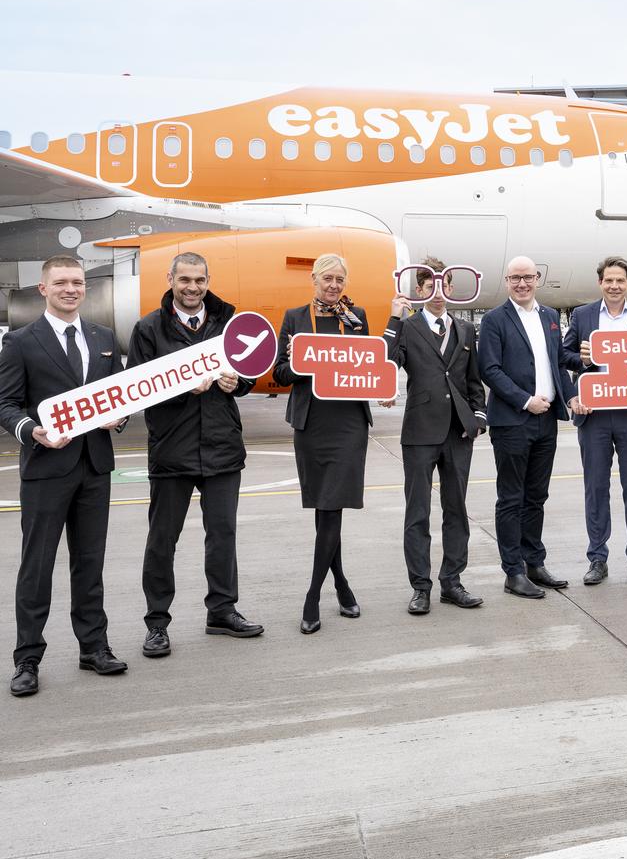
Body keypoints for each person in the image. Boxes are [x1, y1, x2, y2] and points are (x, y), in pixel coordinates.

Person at [0, 256, 127, 696]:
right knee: (37, 567)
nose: (70, 289)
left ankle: (93, 647)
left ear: (85, 288)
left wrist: (119, 419)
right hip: (46, 469)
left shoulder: (104, 337)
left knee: (90, 563)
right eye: (61, 283)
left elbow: (118, 398)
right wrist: (31, 431)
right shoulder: (21, 341)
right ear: (43, 289)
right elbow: (6, 404)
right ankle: (27, 659)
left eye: (77, 282)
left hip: (94, 467)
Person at [127, 252, 263, 657]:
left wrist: (238, 382)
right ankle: (156, 624)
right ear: (170, 279)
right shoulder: (149, 328)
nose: (192, 287)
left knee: (222, 536)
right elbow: (138, 386)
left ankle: (222, 611)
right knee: (162, 541)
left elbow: (250, 373)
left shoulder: (228, 322)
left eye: (199, 280)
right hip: (173, 450)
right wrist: (185, 386)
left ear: (208, 280)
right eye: (184, 279)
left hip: (222, 448)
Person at [273, 253, 372, 633]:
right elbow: (280, 373)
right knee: (324, 509)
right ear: (314, 279)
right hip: (312, 424)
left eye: (339, 281)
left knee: (332, 507)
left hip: (348, 424)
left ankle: (312, 596)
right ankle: (343, 586)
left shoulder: (356, 317)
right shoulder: (296, 318)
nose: (333, 286)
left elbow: (367, 363)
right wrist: (309, 363)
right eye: (327, 279)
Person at [385, 257, 488, 616]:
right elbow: (386, 361)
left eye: (444, 285)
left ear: (451, 288)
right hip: (419, 430)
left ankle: (452, 581)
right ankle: (420, 586)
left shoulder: (465, 330)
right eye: (430, 285)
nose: (438, 292)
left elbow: (474, 381)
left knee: (456, 508)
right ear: (420, 289)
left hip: (458, 432)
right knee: (418, 512)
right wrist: (394, 318)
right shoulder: (408, 327)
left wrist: (478, 416)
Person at [478, 255, 583, 599]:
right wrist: (525, 400)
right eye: (515, 278)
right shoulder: (495, 319)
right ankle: (513, 571)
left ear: (537, 278)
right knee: (511, 498)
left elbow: (556, 364)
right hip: (513, 421)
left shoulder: (550, 316)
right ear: (506, 281)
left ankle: (534, 562)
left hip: (546, 421)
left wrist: (570, 396)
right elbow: (490, 370)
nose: (521, 284)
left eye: (527, 277)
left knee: (536, 497)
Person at [562, 256, 627, 587]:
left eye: (620, 280)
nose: (614, 286)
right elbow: (564, 355)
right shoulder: (584, 315)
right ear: (600, 283)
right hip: (594, 414)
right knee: (596, 488)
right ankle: (597, 558)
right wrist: (583, 358)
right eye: (608, 280)